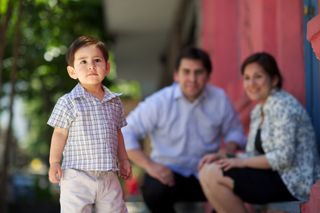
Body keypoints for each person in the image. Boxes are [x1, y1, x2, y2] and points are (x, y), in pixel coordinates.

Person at [122, 47, 246, 213]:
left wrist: (227, 149)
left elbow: (235, 132)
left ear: (208, 76)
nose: (192, 79)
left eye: (198, 72)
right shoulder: (159, 102)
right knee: (153, 190)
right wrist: (150, 165)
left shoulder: (219, 99)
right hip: (169, 175)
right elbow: (125, 132)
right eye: (186, 72)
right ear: (176, 75)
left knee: (236, 181)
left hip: (205, 172)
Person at [198, 52, 320, 213]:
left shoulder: (283, 105)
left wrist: (240, 162)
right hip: (274, 175)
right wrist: (226, 156)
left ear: (274, 79)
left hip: (293, 181)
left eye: (258, 76)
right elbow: (252, 155)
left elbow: (283, 157)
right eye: (247, 78)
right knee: (208, 169)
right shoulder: (259, 110)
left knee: (213, 174)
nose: (251, 83)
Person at [47, 35, 131, 213]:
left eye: (97, 60)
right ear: (72, 72)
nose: (91, 66)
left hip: (109, 174)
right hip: (77, 175)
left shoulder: (114, 101)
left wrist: (123, 159)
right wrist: (54, 162)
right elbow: (60, 133)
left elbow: (117, 133)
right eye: (83, 62)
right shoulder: (68, 101)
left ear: (107, 67)